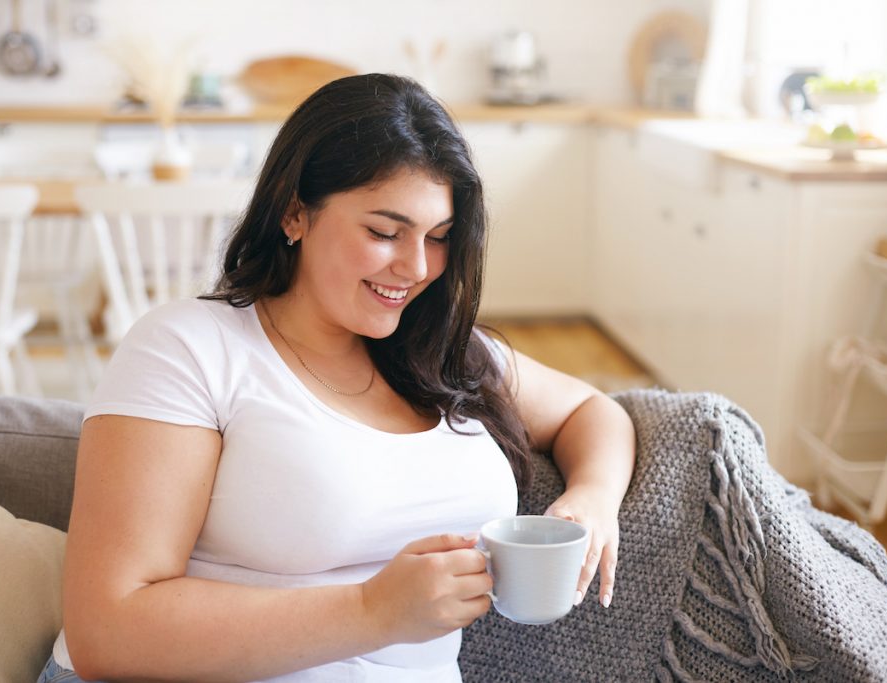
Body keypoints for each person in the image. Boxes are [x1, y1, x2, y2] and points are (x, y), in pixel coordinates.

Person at [38, 73, 636, 683]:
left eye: (439, 237)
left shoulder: (447, 355)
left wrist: (593, 498)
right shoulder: (188, 348)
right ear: (295, 212)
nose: (416, 266)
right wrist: (370, 610)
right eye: (384, 232)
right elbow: (105, 631)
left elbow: (592, 410)